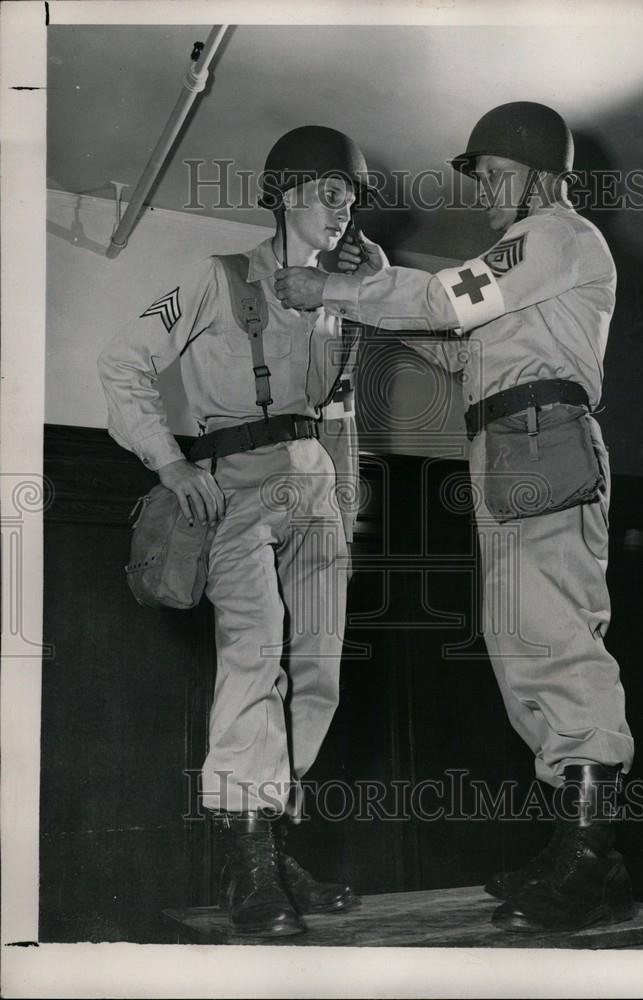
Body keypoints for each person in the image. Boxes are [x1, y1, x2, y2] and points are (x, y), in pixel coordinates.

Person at [274, 102, 636, 933]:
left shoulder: (556, 233)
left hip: (541, 436)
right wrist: (375, 286)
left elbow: (447, 299)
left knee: (551, 634)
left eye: (500, 174)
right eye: (483, 178)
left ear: (546, 175)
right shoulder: (526, 261)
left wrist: (336, 285)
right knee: (521, 641)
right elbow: (459, 346)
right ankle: (587, 852)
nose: (487, 192)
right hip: (508, 444)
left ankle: (590, 850)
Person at [98, 125, 385, 937]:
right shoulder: (217, 278)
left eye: (352, 196)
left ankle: (276, 836)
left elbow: (343, 411)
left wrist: (344, 507)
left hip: (318, 491)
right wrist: (170, 464)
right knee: (254, 653)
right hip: (235, 490)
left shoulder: (339, 294)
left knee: (318, 666)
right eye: (332, 193)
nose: (345, 210)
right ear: (289, 193)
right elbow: (121, 361)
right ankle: (247, 859)